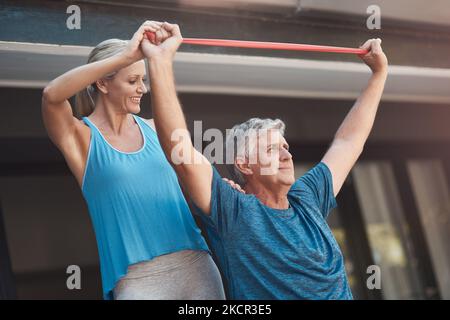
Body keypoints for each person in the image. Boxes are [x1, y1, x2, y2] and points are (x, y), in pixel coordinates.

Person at [146, 21, 388, 299]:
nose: (287, 154)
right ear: (244, 164)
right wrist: (160, 61)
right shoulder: (233, 210)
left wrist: (379, 74)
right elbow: (181, 150)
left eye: (285, 146)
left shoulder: (307, 197)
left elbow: (348, 142)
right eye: (272, 149)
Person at [41, 21, 227, 300]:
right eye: (132, 80)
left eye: (143, 79)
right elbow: (51, 95)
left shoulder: (155, 128)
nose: (142, 88)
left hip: (195, 266)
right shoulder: (80, 139)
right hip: (137, 281)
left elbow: (199, 173)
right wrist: (127, 55)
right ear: (103, 82)